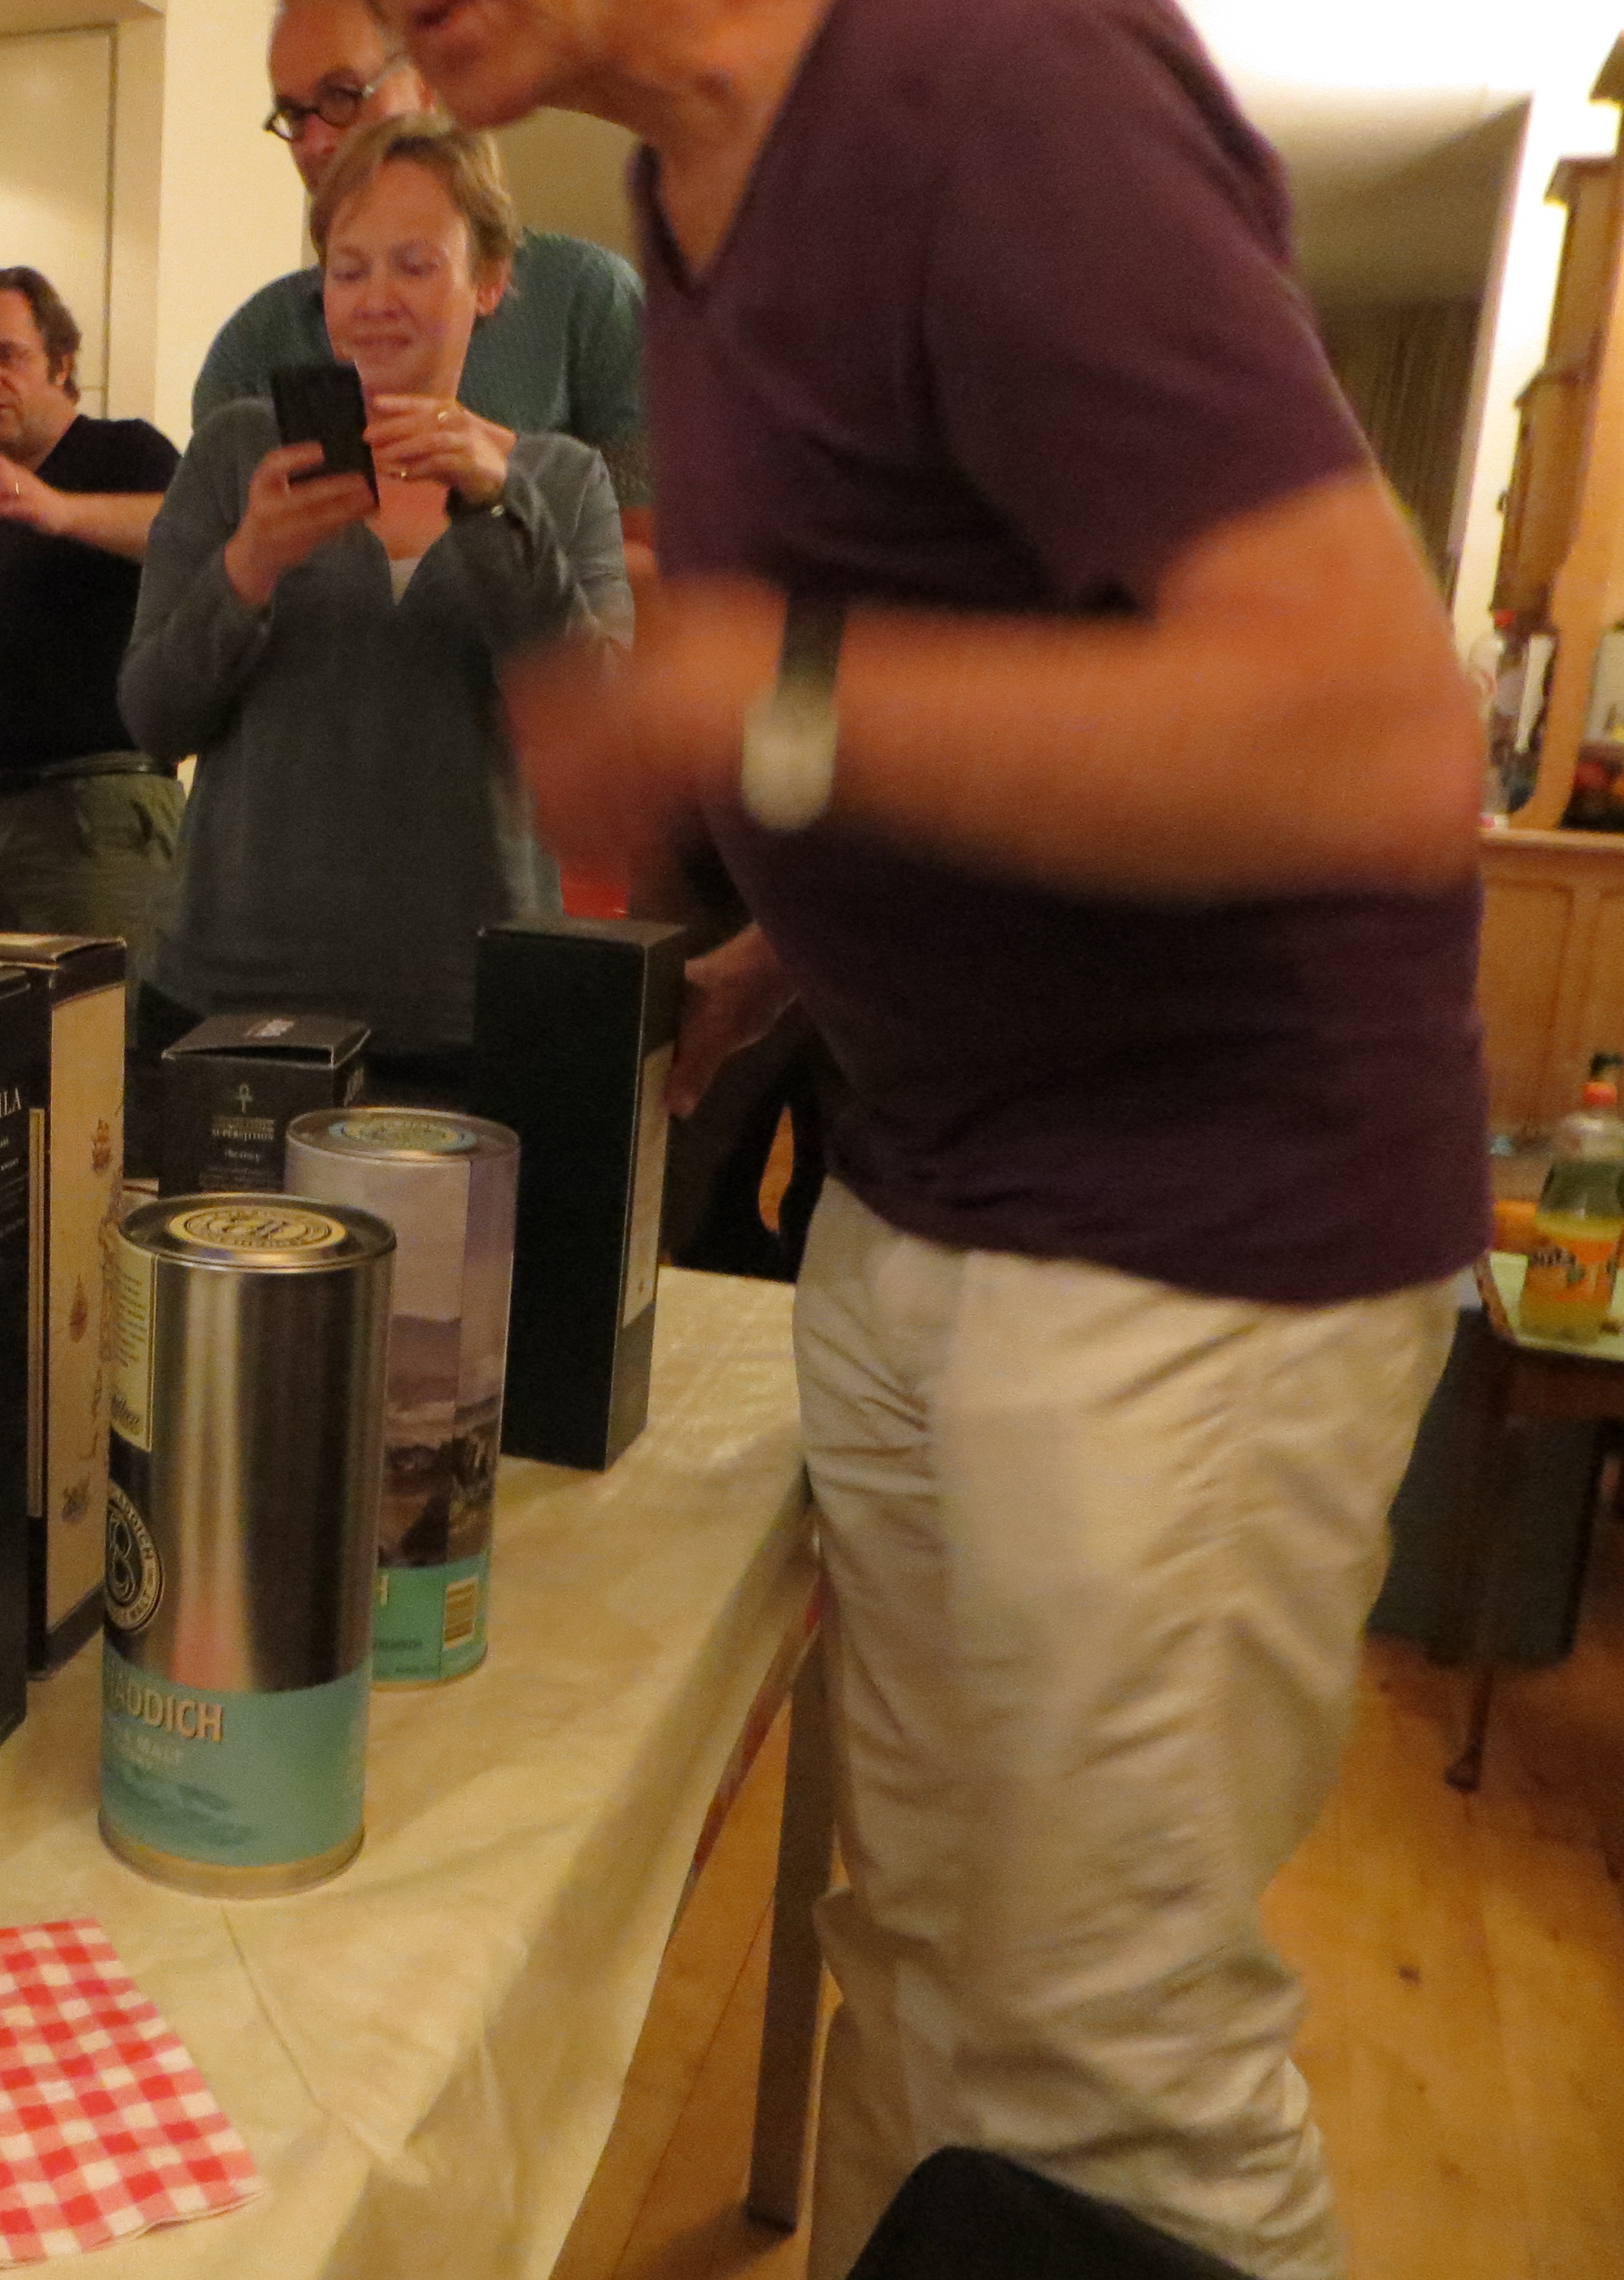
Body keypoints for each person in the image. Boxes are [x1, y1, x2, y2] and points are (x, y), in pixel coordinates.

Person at [397, 0, 1486, 2272]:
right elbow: (998, 669)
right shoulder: (687, 198)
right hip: (921, 1188)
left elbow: (1365, 731)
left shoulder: (987, 76)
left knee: (1107, 2063)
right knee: (911, 1942)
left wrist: (751, 692)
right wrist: (768, 964)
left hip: (1193, 1230)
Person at [121, 117, 625, 1097]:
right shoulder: (237, 454)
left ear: (488, 281)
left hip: (469, 1014)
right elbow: (152, 717)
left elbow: (600, 731)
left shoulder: (561, 481)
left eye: (415, 265)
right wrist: (249, 565)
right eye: (347, 270)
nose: (376, 299)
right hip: (229, 1002)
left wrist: (496, 507)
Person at [196, 0, 652, 549]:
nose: (315, 143)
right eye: (294, 115)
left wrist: (507, 489)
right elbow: (197, 557)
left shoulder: (591, 300)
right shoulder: (254, 343)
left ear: (429, 83)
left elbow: (659, 560)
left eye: (343, 95)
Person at [0, 267, 181, 952]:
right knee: (4, 1021)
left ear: (60, 362)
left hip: (99, 816)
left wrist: (60, 510)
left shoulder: (126, 452)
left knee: (98, 1017)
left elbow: (191, 533)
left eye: (7, 356)